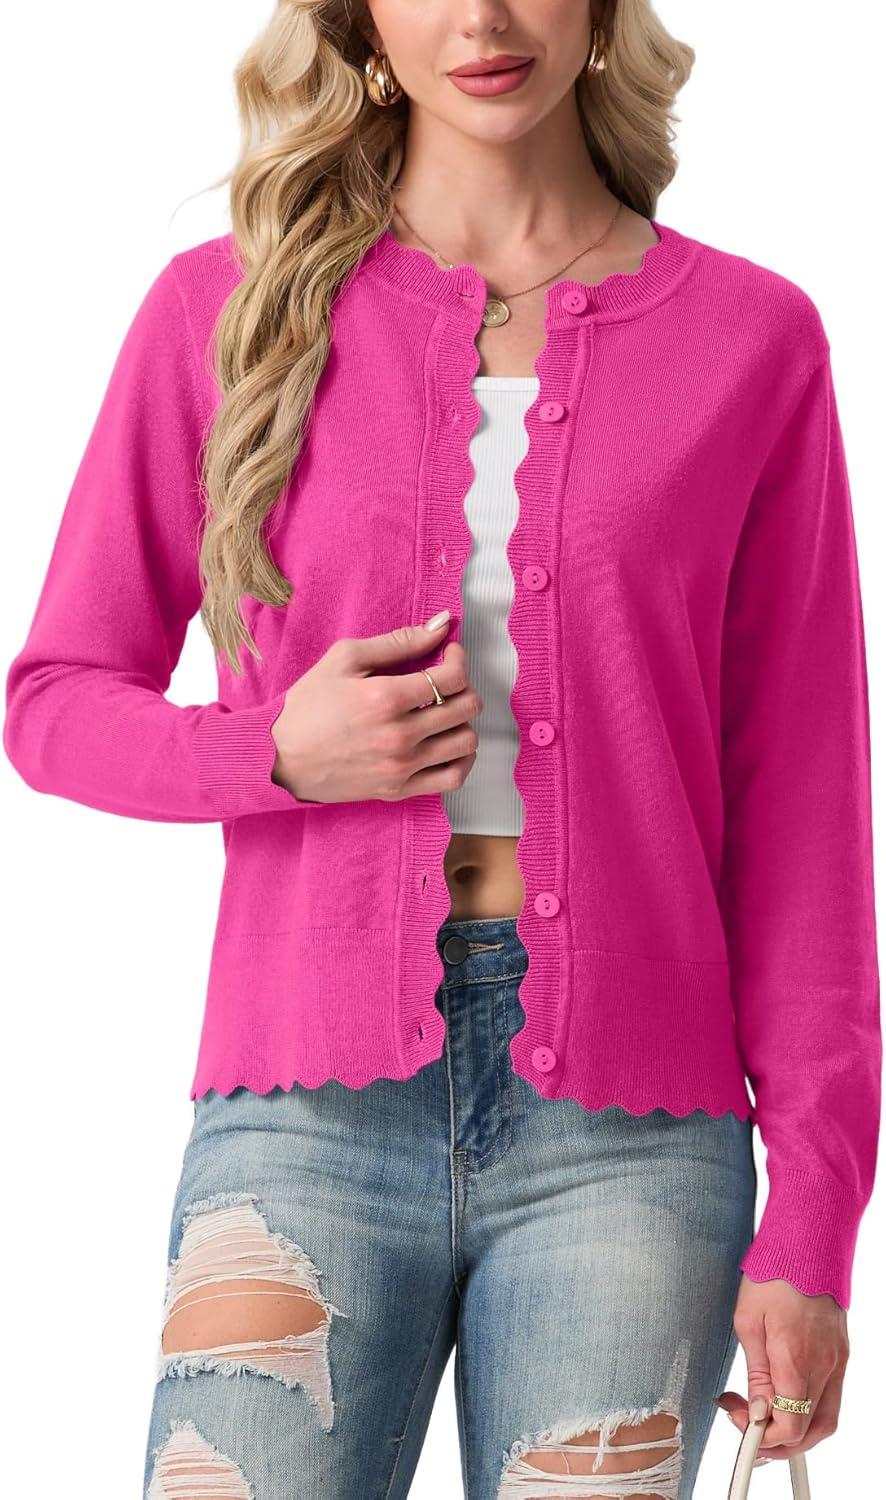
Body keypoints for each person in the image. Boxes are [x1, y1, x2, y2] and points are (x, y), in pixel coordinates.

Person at [3, 3, 880, 1497]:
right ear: (359, 18)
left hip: (632, 1135)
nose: (480, 18)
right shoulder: (225, 311)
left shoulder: (751, 338)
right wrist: (273, 752)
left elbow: (805, 815)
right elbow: (54, 702)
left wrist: (812, 1224)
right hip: (300, 1102)